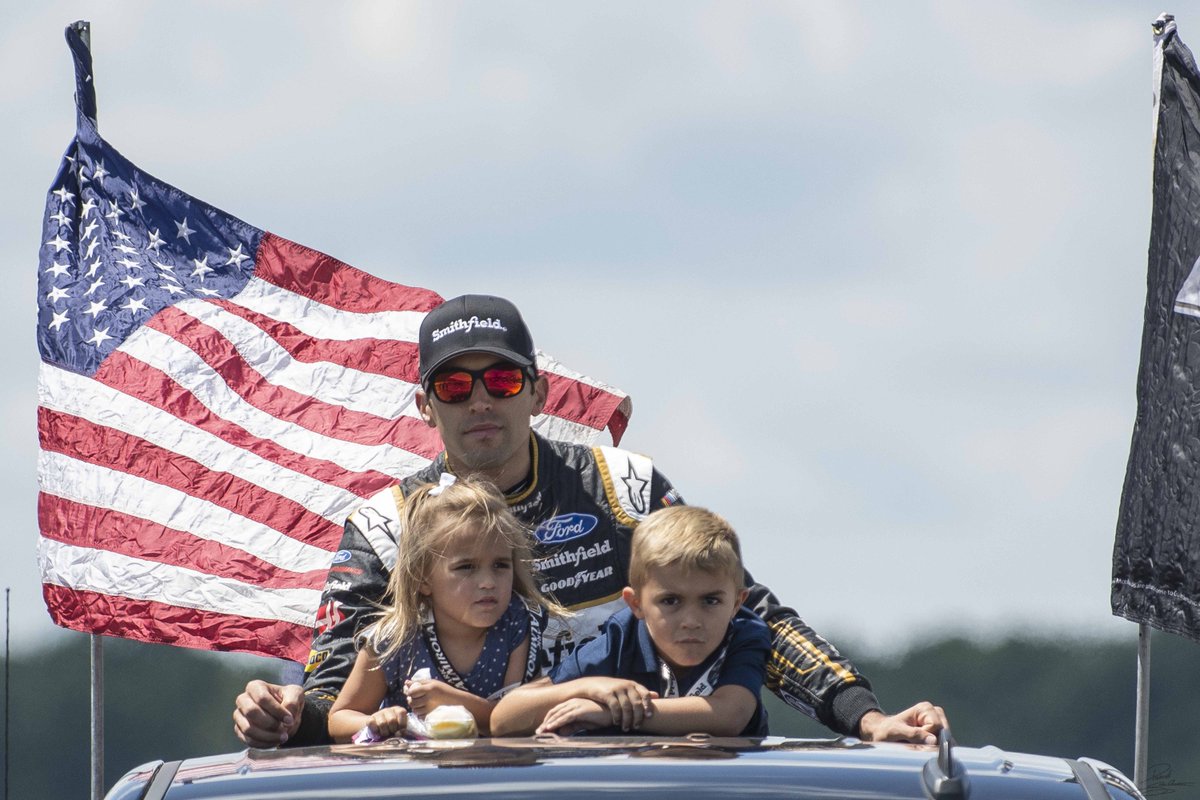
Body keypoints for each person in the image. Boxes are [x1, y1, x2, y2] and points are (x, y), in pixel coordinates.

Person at [233, 294, 947, 747]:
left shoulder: (624, 486)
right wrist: (282, 714)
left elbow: (747, 615)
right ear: (426, 407)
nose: (480, 400)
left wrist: (865, 716)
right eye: (455, 385)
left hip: (631, 774)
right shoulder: (385, 525)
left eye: (502, 380)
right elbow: (330, 690)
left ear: (537, 391)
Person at [491, 505, 769, 737]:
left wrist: (611, 713)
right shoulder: (621, 639)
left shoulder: (744, 635)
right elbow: (504, 718)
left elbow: (729, 715)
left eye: (710, 601)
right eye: (670, 601)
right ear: (636, 603)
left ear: (736, 603)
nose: (691, 621)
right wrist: (589, 687)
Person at [326, 475, 566, 742]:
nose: (488, 583)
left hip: (495, 771)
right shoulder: (394, 638)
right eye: (466, 567)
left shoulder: (516, 623)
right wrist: (375, 721)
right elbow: (340, 718)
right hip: (416, 776)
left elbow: (512, 722)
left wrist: (450, 700)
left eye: (500, 565)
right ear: (423, 578)